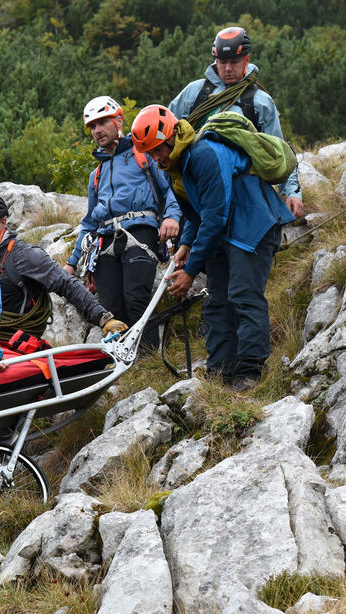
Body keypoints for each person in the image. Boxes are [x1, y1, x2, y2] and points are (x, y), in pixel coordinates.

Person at [130, 104, 295, 391]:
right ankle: (220, 371)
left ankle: (249, 371)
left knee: (243, 295)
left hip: (253, 225)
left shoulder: (203, 154)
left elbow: (215, 215)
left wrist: (191, 270)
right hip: (225, 234)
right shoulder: (175, 167)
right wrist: (186, 244)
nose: (156, 158)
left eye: (157, 150)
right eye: (150, 153)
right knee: (217, 301)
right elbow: (197, 214)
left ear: (171, 137)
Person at [65, 96, 182, 351]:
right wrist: (71, 264)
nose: (97, 130)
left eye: (102, 122)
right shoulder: (96, 174)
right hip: (104, 239)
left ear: (119, 120)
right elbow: (90, 221)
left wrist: (172, 216)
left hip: (140, 231)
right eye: (92, 126)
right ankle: (120, 363)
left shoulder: (144, 154)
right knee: (111, 310)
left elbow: (170, 189)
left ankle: (148, 362)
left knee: (136, 298)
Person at [168, 26, 303, 220]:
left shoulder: (260, 102)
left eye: (234, 61)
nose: (228, 68)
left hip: (244, 191)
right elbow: (165, 130)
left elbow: (279, 149)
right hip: (197, 190)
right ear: (216, 61)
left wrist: (292, 192)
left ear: (246, 60)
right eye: (223, 62)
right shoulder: (194, 92)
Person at [0, 192, 126, 342]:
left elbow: (66, 283)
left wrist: (103, 317)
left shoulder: (25, 256)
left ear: (3, 222)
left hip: (12, 343)